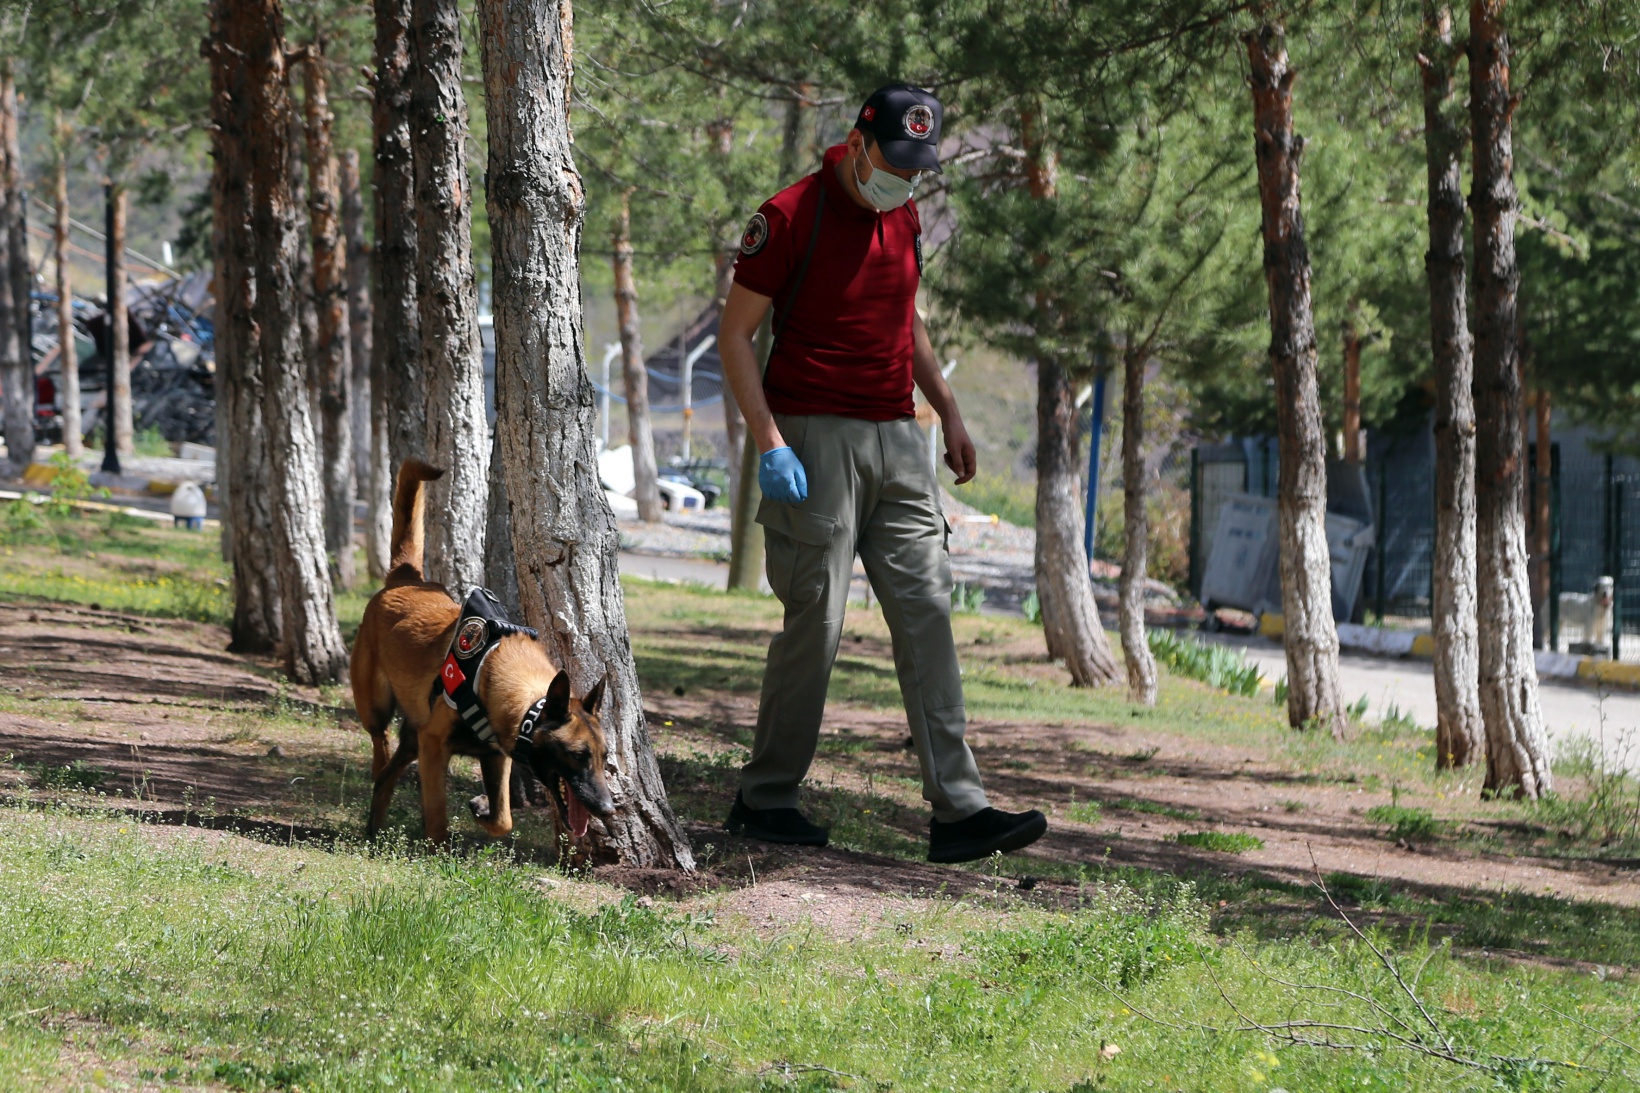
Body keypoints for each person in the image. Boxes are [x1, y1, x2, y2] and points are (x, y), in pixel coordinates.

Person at [716, 83, 1047, 864]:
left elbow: (909, 319)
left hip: (900, 439)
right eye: (893, 161)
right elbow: (736, 336)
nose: (903, 177)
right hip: (812, 442)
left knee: (928, 613)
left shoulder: (902, 216)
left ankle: (960, 811)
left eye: (916, 166)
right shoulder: (790, 215)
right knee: (817, 624)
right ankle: (764, 798)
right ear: (859, 142)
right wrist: (769, 440)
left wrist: (950, 411)